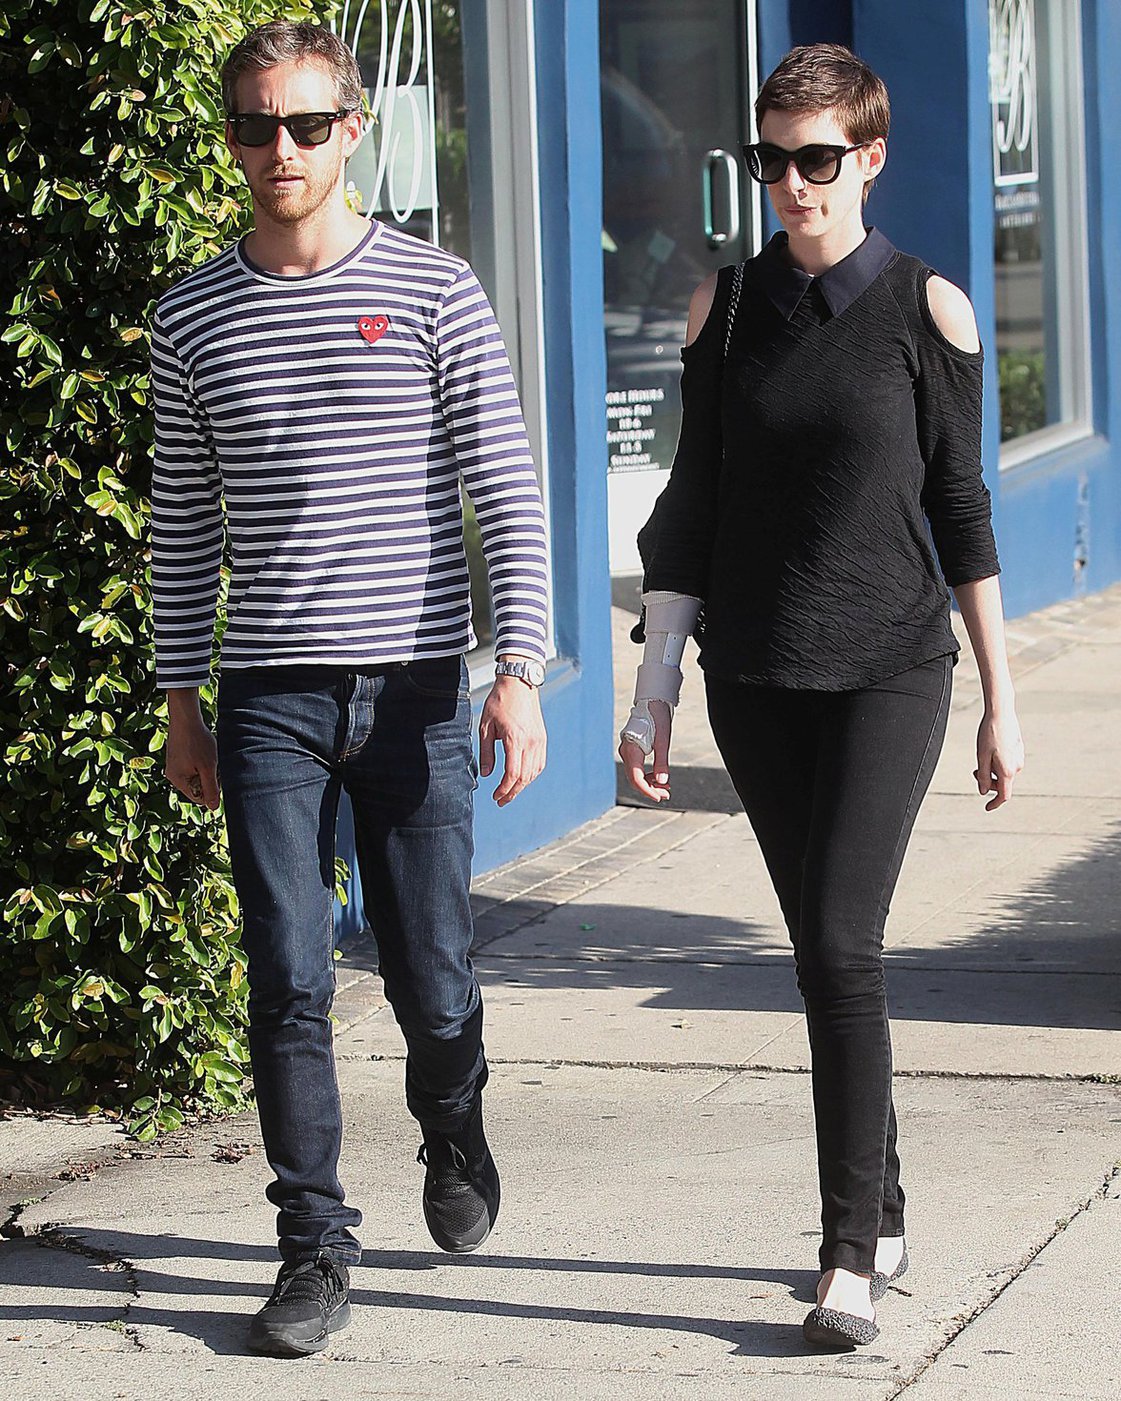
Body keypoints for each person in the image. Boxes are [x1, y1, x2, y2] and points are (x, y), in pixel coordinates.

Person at [150, 21, 549, 1357]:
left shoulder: (436, 290)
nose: (281, 149)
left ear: (352, 131)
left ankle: (453, 1110)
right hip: (267, 693)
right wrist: (179, 696)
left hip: (420, 690)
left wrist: (519, 670)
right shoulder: (191, 316)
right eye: (257, 125)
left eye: (306, 125)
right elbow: (181, 523)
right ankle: (312, 1241)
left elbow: (503, 487)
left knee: (433, 977)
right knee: (287, 975)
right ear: (231, 137)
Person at [620, 44, 1024, 1350]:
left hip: (891, 670)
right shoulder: (720, 312)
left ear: (869, 157)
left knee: (842, 947)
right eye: (772, 161)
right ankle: (883, 1191)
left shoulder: (929, 311)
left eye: (819, 159)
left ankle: (845, 1249)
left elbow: (960, 515)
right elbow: (686, 516)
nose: (794, 185)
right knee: (822, 954)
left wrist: (998, 700)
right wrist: (652, 691)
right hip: (755, 675)